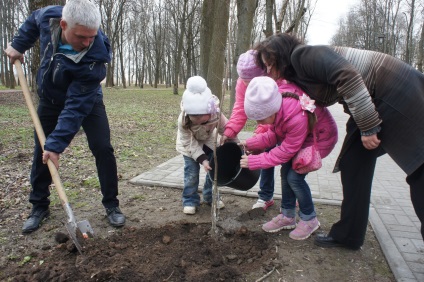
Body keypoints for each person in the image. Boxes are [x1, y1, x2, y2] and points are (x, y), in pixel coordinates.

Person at [254, 32, 424, 249]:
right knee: (353, 164)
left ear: (281, 56)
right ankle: (348, 236)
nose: (268, 71)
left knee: (419, 168)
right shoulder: (297, 73)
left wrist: (369, 126)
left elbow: (348, 76)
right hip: (369, 102)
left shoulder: (303, 56)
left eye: (269, 65)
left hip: (395, 90)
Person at [4, 0, 126, 234]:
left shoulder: (96, 57)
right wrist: (19, 44)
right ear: (63, 24)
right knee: (42, 149)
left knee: (102, 147)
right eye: (81, 37)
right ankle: (39, 206)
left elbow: (75, 107)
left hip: (87, 101)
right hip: (50, 99)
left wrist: (57, 145)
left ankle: (112, 204)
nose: (87, 43)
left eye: (92, 36)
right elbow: (32, 20)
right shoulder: (49, 17)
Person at [239, 76, 338, 240]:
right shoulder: (278, 107)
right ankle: (287, 215)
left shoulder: (294, 116)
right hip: (301, 138)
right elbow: (275, 134)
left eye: (261, 119)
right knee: (286, 172)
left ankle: (309, 218)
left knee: (295, 177)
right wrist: (251, 143)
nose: (259, 122)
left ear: (271, 111)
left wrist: (255, 161)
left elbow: (286, 150)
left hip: (319, 139)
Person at [221, 50, 275, 211]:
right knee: (266, 162)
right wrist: (229, 131)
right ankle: (265, 197)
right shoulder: (241, 84)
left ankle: (292, 198)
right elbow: (240, 108)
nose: (246, 85)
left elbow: (270, 115)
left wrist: (260, 137)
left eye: (250, 82)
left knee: (289, 166)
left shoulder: (274, 81)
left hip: (282, 126)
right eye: (244, 81)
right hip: (267, 126)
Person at [176, 76, 229, 215]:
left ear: (209, 111)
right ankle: (190, 200)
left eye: (201, 118)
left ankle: (210, 197)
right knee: (191, 173)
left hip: (209, 142)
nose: (198, 122)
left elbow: (227, 130)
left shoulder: (216, 114)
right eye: (195, 119)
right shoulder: (183, 120)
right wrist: (202, 159)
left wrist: (234, 144)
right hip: (189, 147)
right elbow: (188, 142)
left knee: (214, 170)